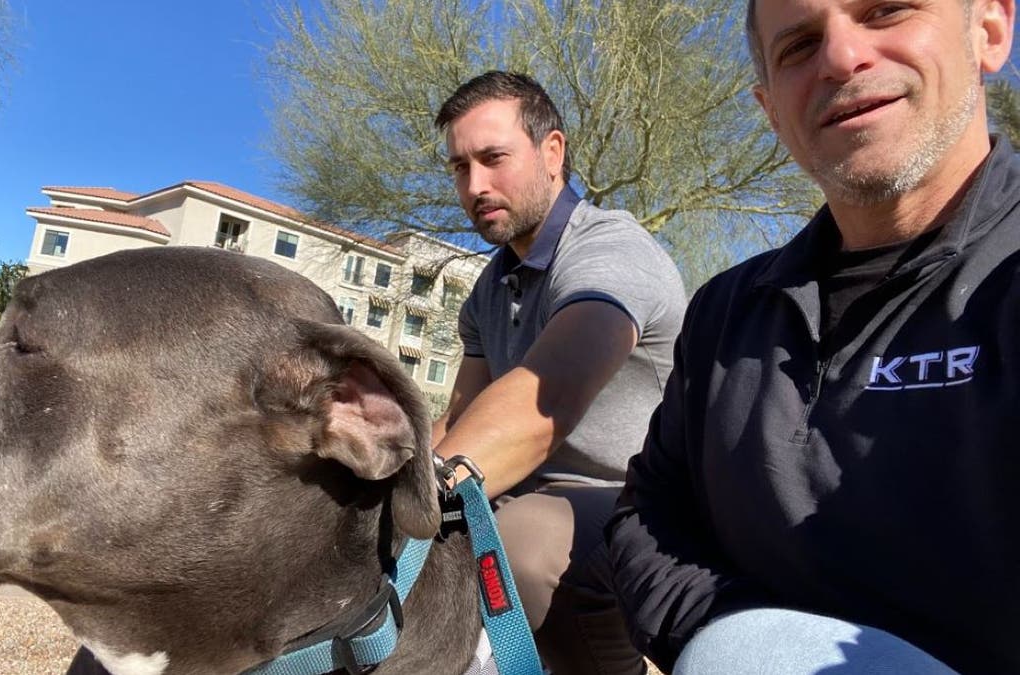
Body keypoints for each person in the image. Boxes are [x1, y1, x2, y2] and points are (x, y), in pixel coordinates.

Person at [607, 0, 1017, 673]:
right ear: (770, 109)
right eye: (798, 45)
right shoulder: (723, 313)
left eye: (885, 11)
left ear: (990, 29)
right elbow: (647, 513)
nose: (841, 57)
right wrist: (735, 635)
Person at [432, 71, 686, 674]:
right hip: (524, 492)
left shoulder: (610, 251)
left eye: (494, 158)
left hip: (637, 501)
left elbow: (547, 399)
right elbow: (462, 418)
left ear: (552, 153)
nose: (476, 185)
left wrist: (419, 502)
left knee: (523, 545)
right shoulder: (489, 288)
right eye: (460, 168)